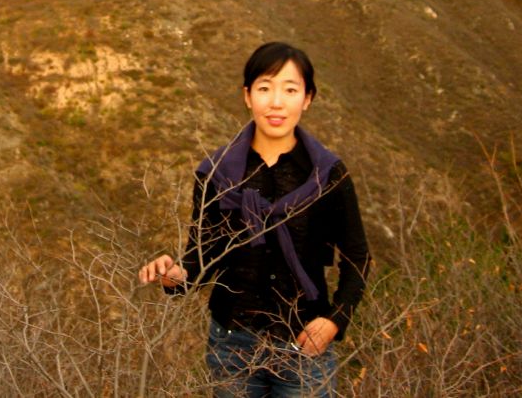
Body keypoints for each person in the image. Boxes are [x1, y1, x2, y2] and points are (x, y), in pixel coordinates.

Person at [138, 42, 371, 397]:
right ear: (248, 96)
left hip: (305, 345)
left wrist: (335, 321)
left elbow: (357, 256)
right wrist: (173, 275)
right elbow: (201, 258)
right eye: (264, 88)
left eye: (290, 90)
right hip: (232, 344)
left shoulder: (328, 175)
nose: (276, 102)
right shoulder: (215, 173)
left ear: (307, 98)